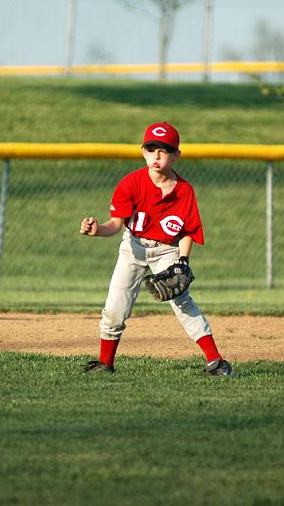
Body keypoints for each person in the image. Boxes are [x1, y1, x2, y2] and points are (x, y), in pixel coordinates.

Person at [79, 122, 233, 377]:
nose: (157, 155)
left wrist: (182, 260)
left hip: (167, 250)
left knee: (182, 302)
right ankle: (105, 363)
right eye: (152, 148)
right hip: (133, 247)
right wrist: (98, 230)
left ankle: (216, 362)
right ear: (143, 152)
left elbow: (187, 231)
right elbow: (116, 224)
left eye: (164, 149)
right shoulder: (131, 183)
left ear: (176, 155)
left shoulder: (184, 191)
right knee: (115, 306)